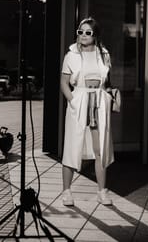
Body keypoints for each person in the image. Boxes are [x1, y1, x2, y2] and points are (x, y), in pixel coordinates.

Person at [60, 17, 114, 206]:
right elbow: (64, 83)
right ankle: (66, 191)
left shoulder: (104, 54)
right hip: (80, 99)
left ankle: (102, 191)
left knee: (100, 148)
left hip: (98, 100)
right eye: (80, 31)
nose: (83, 35)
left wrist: (106, 97)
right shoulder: (71, 55)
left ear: (96, 35)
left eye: (88, 32)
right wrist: (73, 101)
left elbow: (106, 82)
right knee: (72, 146)